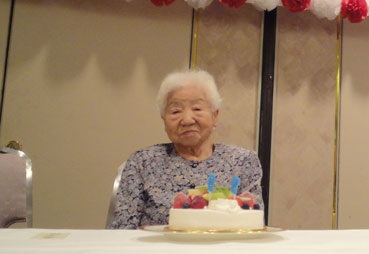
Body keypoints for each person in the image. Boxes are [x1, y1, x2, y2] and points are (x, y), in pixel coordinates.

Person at [108, 69, 263, 229]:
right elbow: (122, 229)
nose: (187, 120)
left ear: (215, 115)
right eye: (175, 111)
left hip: (223, 251)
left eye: (197, 109)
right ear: (164, 119)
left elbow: (252, 224)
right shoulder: (142, 162)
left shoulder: (243, 161)